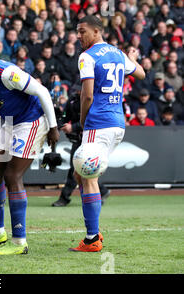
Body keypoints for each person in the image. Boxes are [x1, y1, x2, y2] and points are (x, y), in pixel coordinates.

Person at [0, 36, 60, 255]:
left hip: (31, 120)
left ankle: (19, 242)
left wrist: (53, 127)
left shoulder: (7, 73)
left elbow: (42, 92)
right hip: (9, 122)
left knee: (12, 176)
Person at [71, 15, 145, 252]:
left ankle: (92, 238)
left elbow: (87, 95)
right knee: (79, 175)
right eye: (77, 32)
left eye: (82, 31)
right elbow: (141, 74)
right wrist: (131, 59)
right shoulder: (117, 53)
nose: (78, 36)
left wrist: (83, 120)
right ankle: (94, 227)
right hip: (117, 125)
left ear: (96, 31)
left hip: (98, 124)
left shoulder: (87, 56)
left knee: (88, 177)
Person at [51, 85, 110, 207]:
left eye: (80, 89)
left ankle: (64, 198)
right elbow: (65, 116)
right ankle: (102, 191)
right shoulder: (72, 100)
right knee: (79, 168)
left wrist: (73, 127)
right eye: (76, 90)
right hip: (77, 139)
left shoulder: (93, 99)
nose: (77, 92)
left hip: (90, 138)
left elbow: (92, 118)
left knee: (77, 168)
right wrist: (60, 126)